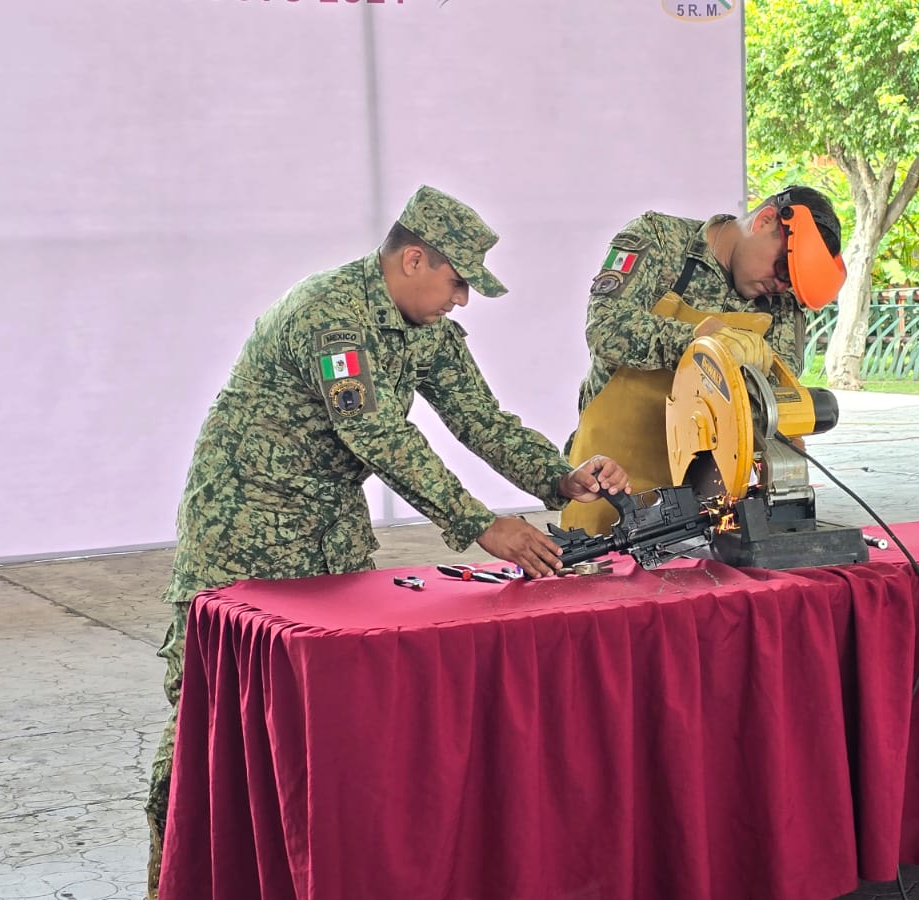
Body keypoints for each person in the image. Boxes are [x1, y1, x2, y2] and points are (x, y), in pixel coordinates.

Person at [144, 185, 632, 897]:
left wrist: (561, 480)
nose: (462, 299)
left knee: (328, 709)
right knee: (208, 713)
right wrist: (480, 524)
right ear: (413, 260)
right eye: (458, 281)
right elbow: (376, 434)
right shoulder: (330, 316)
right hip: (240, 525)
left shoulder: (424, 326)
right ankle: (173, 876)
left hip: (326, 531)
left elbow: (481, 420)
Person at [562, 185, 847, 535]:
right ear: (766, 220)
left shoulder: (780, 305)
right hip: (610, 478)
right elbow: (606, 328)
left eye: (791, 284)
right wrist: (701, 346)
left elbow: (772, 405)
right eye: (782, 268)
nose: (780, 286)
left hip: (709, 496)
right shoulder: (661, 241)